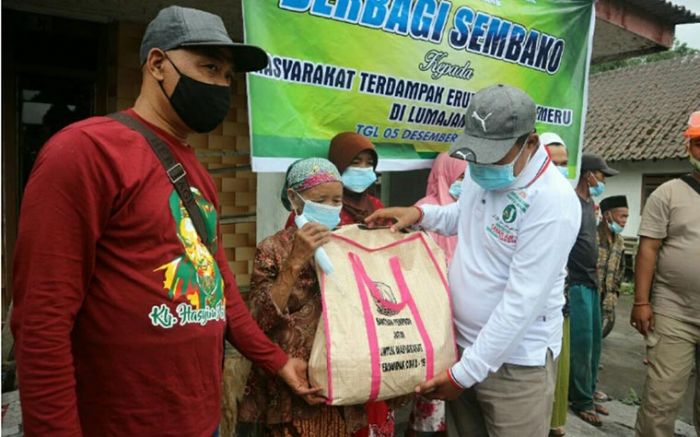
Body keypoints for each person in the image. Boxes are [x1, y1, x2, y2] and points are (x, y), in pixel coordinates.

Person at [10, 6, 318, 436]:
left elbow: (220, 291)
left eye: (228, 76)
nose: (221, 86)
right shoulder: (85, 152)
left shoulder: (197, 173)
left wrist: (279, 361)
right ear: (157, 64)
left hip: (201, 421)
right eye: (209, 68)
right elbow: (42, 324)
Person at [366, 84, 581, 437]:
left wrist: (464, 374)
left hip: (515, 364)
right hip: (464, 346)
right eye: (476, 153)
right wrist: (417, 214)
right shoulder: (486, 172)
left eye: (493, 154)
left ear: (529, 143)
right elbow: (460, 216)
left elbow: (521, 301)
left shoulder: (552, 203)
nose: (480, 164)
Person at [239, 157, 379, 436]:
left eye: (336, 200)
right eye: (321, 199)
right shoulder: (273, 249)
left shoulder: (349, 244)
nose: (330, 208)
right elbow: (256, 321)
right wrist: (294, 262)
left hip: (343, 382)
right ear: (295, 198)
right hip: (291, 386)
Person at [283, 132, 395, 435]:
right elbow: (291, 276)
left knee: (371, 395)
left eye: (368, 163)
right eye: (354, 161)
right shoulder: (303, 221)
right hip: (327, 326)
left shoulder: (377, 208)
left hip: (370, 319)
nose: (361, 169)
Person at [632, 110, 700, 437]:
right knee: (661, 398)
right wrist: (641, 302)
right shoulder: (669, 193)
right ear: (689, 148)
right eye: (699, 144)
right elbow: (648, 249)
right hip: (675, 312)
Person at [410, 153, 466, 436]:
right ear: (445, 174)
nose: (465, 184)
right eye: (461, 177)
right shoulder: (425, 209)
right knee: (431, 373)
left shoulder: (468, 209)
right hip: (431, 306)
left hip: (461, 308)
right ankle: (423, 428)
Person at [567, 153, 618, 427]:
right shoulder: (572, 202)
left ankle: (589, 390)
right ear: (588, 174)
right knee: (581, 345)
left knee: (594, 345)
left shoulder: (590, 204)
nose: (602, 180)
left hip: (591, 282)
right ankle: (581, 400)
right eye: (600, 175)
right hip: (575, 283)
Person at [286, 132, 384, 227]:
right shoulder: (310, 210)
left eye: (370, 163)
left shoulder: (376, 206)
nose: (363, 168)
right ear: (339, 163)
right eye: (355, 162)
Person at [541, 133, 571, 437]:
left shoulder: (567, 200)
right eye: (554, 163)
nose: (561, 170)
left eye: (564, 164)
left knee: (554, 373)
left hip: (556, 304)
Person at [597, 195, 629, 336]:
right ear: (607, 215)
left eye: (626, 217)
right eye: (622, 216)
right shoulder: (592, 237)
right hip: (590, 295)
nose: (624, 221)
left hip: (606, 298)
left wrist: (614, 293)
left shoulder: (619, 241)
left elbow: (621, 269)